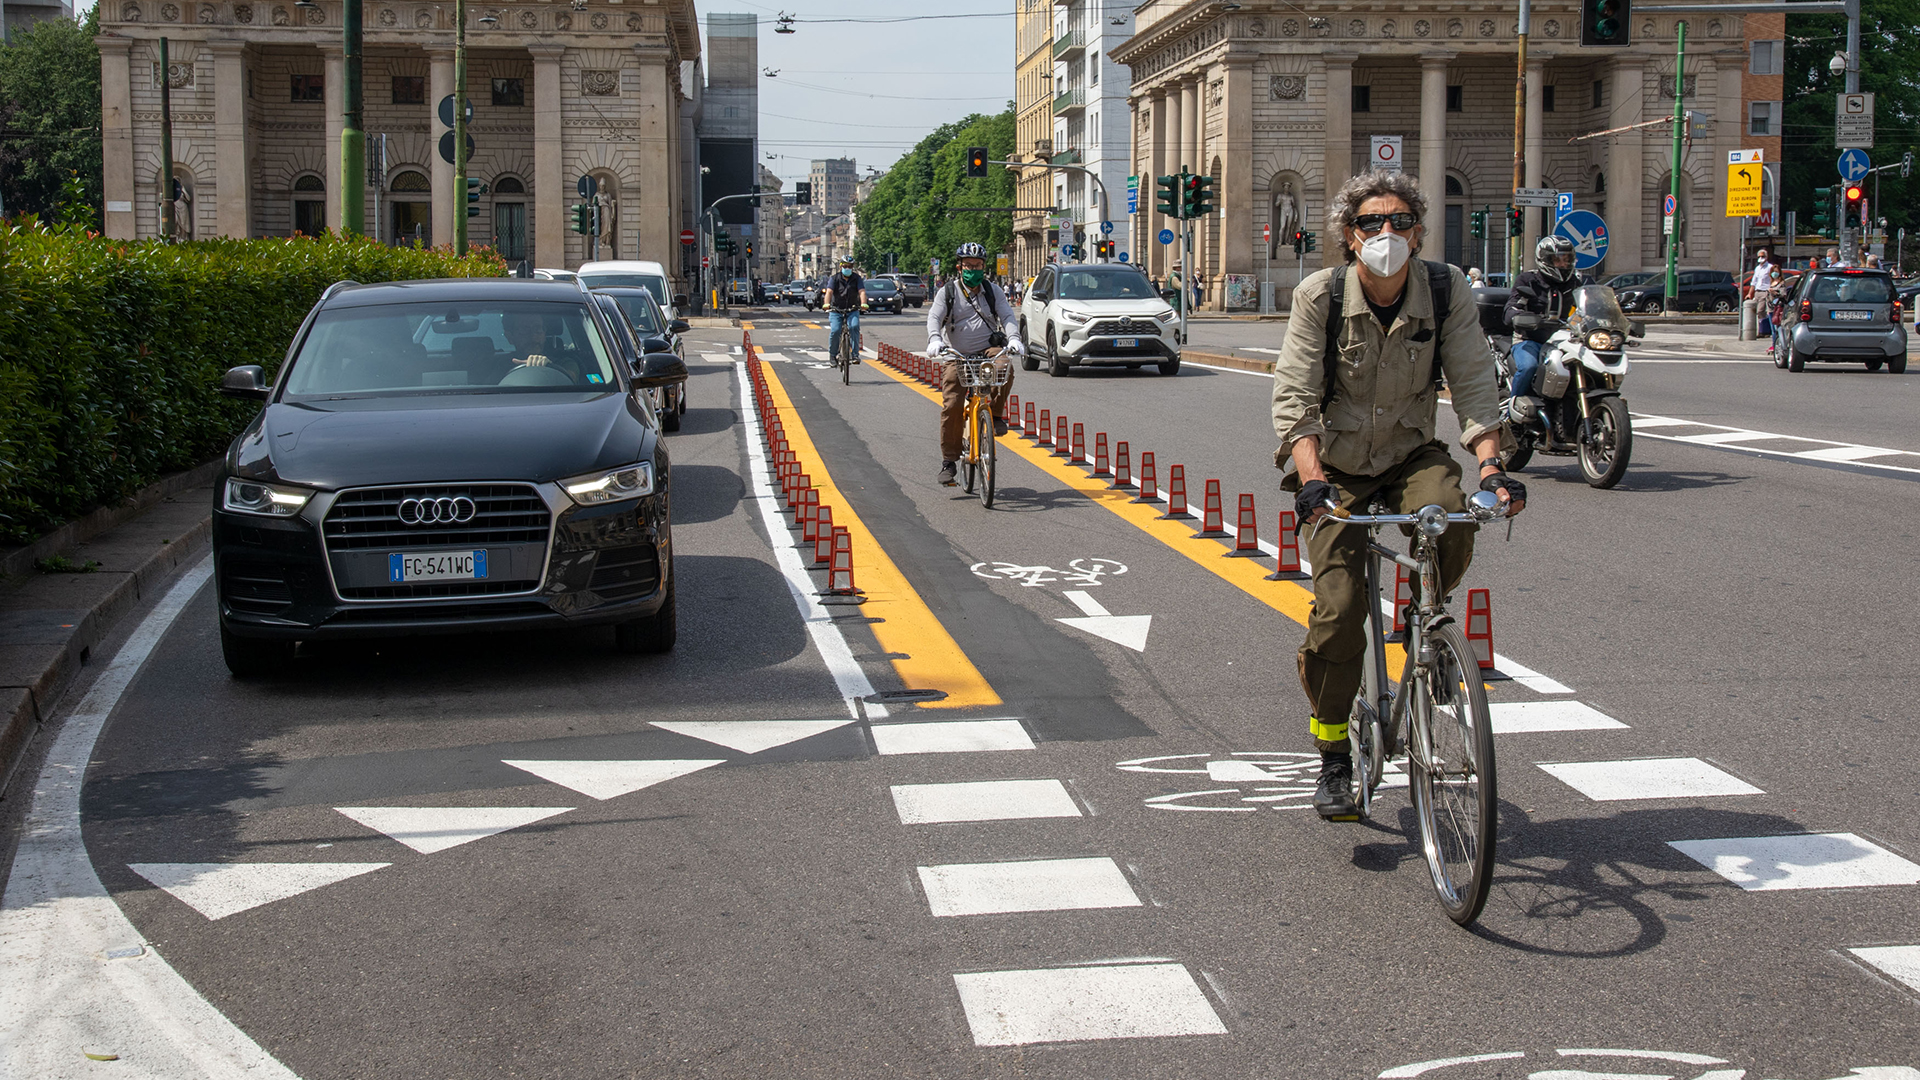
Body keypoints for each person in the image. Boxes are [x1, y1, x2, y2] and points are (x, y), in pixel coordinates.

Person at [1269, 170, 1525, 821]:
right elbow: (1295, 399)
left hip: (1412, 456)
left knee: (1458, 515)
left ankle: (1427, 624)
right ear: (1349, 237)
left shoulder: (1445, 290)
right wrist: (1313, 480)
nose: (1387, 234)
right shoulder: (1320, 297)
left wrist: (1492, 470)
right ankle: (1332, 756)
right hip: (1338, 469)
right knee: (1340, 608)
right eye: (1371, 224)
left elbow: (1472, 382)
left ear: (1418, 231)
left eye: (1399, 222)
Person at [927, 241, 1023, 486]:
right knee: (952, 404)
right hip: (956, 354)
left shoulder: (993, 291)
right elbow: (934, 318)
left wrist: (1013, 338)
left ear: (984, 267)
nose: (973, 269)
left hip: (986, 350)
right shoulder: (947, 292)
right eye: (968, 265)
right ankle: (949, 461)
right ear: (959, 267)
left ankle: (997, 415)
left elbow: (1008, 315)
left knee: (1005, 366)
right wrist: (935, 339)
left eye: (978, 265)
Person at [1503, 234, 1588, 406]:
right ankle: (1512, 408)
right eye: (1558, 260)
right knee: (1529, 367)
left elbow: (1587, 308)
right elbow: (1511, 307)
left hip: (1563, 342)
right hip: (1530, 339)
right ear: (1545, 260)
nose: (1563, 264)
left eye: (1567, 260)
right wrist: (1519, 317)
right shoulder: (1528, 281)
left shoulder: (1575, 284)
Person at [825, 256, 865, 363]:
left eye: (850, 266)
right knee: (835, 330)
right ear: (841, 266)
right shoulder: (834, 278)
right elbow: (829, 292)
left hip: (852, 309)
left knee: (854, 327)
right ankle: (833, 355)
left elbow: (861, 291)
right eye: (845, 266)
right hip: (836, 309)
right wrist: (826, 304)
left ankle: (855, 355)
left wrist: (864, 303)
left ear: (853, 267)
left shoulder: (857, 278)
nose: (847, 268)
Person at [1749, 248, 1777, 339]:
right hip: (1757, 291)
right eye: (1759, 256)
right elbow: (1754, 282)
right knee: (1756, 313)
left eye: (1763, 256)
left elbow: (1774, 279)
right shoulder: (1757, 268)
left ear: (1766, 257)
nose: (1761, 258)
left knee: (1760, 311)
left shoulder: (1770, 267)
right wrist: (1750, 293)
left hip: (1765, 292)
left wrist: (1772, 288)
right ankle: (1762, 330)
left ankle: (1763, 331)